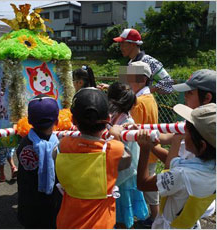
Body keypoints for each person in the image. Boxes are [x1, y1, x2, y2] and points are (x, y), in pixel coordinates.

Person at [55, 88, 131, 229]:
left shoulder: (63, 145)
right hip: (100, 225)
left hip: (67, 222)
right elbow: (127, 161)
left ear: (73, 120)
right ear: (108, 119)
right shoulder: (113, 149)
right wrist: (116, 135)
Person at [136, 103, 216, 229]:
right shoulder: (209, 168)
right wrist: (155, 145)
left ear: (202, 145)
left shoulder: (182, 175)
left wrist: (145, 149)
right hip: (189, 224)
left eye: (187, 131)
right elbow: (172, 165)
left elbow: (143, 183)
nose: (183, 132)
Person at [120, 61, 162, 227]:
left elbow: (131, 127)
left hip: (144, 151)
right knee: (150, 188)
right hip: (152, 148)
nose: (126, 80)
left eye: (130, 77)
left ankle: (154, 219)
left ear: (142, 79)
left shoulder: (138, 102)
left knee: (148, 188)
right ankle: (153, 217)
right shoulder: (149, 97)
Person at [16, 94, 62, 228]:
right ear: (57, 121)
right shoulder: (59, 147)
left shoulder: (24, 144)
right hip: (53, 208)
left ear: (29, 120)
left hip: (29, 208)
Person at [107, 82, 149, 228]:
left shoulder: (127, 122)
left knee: (122, 214)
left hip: (124, 174)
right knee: (117, 211)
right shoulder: (113, 119)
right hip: (119, 172)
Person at [113, 28, 174, 94]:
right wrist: (110, 87)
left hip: (143, 102)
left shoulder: (149, 61)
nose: (121, 48)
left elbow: (168, 82)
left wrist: (145, 91)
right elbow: (125, 87)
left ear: (133, 44)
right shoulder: (130, 63)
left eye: (123, 44)